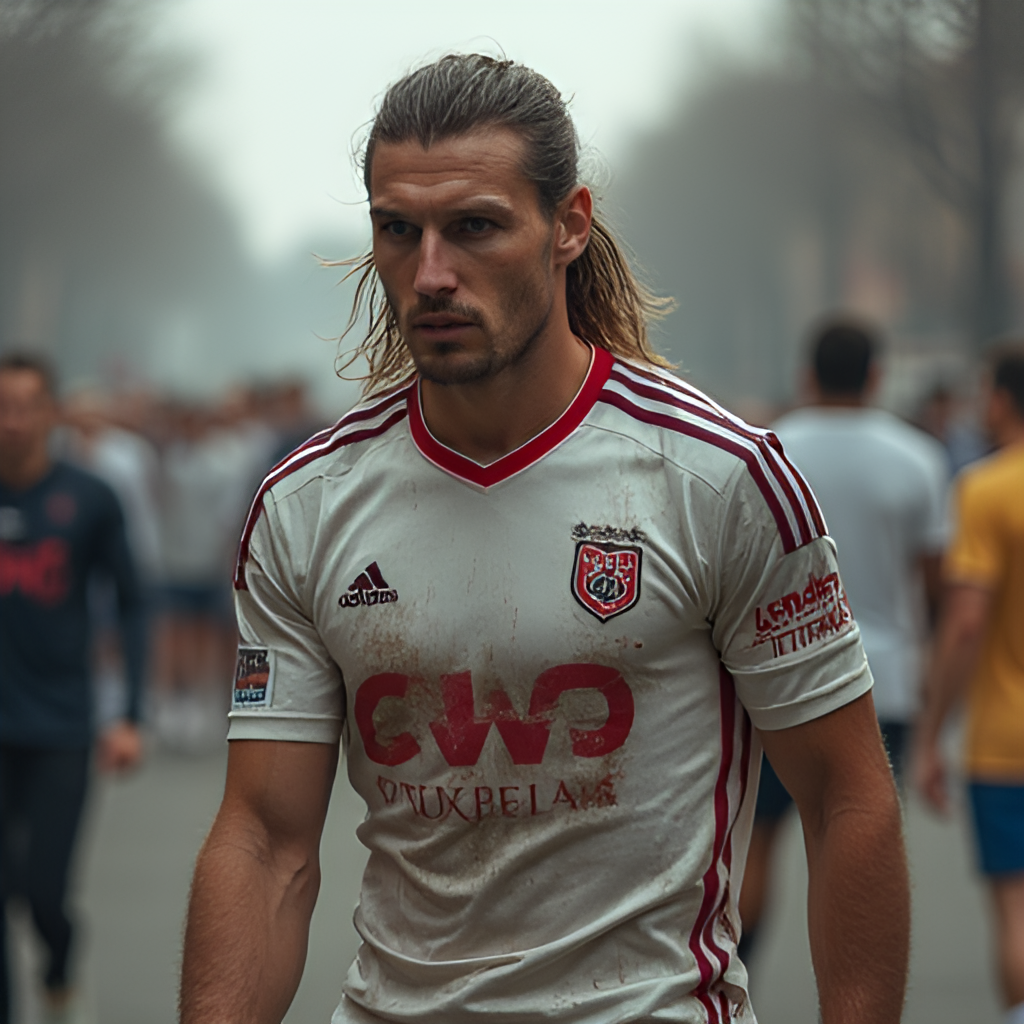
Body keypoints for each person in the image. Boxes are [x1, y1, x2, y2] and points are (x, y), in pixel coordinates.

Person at [180, 55, 909, 1024]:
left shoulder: (716, 475)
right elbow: (266, 841)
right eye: (398, 230)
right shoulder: (308, 500)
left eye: (474, 226)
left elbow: (845, 798)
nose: (431, 272)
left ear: (568, 223)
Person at [737, 318, 949, 959]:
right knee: (857, 843)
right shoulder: (919, 458)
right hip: (885, 682)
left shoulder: (765, 449)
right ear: (876, 376)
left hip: (771, 679)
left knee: (756, 845)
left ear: (807, 375)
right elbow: (933, 583)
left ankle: (735, 979)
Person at [0, 352, 146, 1023]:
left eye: (27, 405)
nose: (13, 421)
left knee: (44, 893)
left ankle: (60, 969)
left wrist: (129, 717)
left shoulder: (88, 497)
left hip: (61, 725)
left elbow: (133, 602)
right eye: (3, 406)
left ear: (53, 413)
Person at [914, 343, 1024, 1024]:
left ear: (1004, 401)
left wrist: (930, 732)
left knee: (1016, 904)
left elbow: (963, 623)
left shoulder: (986, 489)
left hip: (1004, 738)